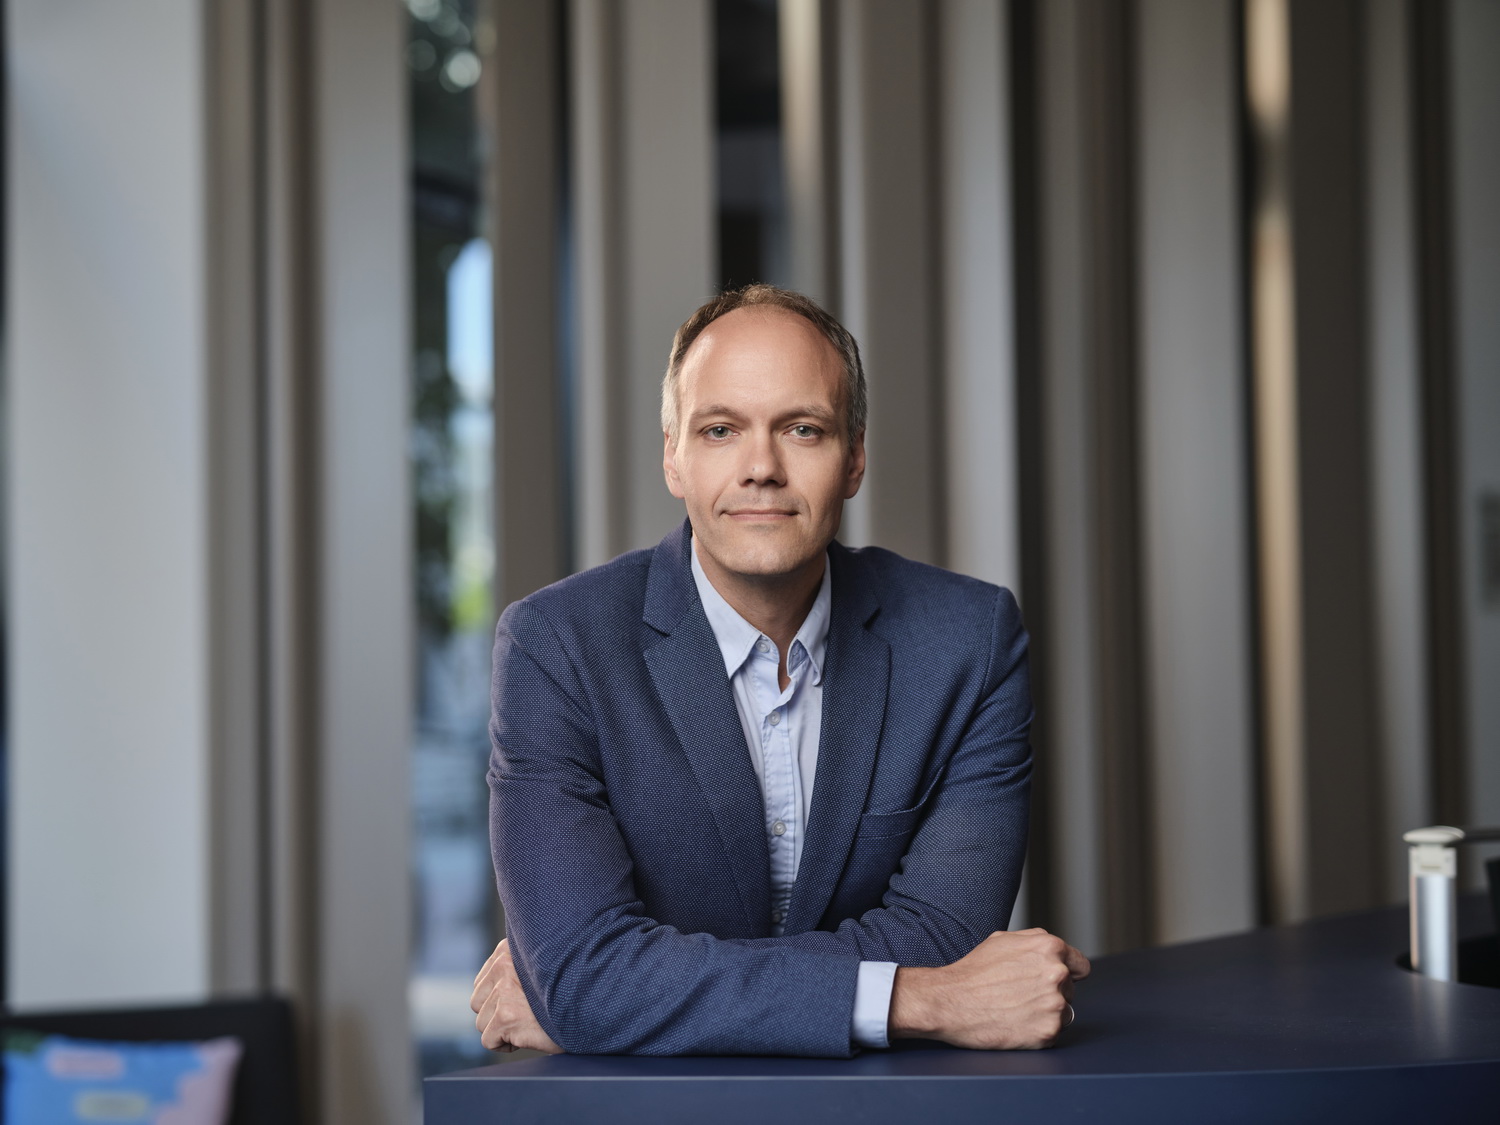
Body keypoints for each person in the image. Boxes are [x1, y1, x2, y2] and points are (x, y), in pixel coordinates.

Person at [470, 285, 1088, 1057]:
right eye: (720, 430)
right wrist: (920, 997)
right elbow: (586, 975)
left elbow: (944, 931)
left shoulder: (969, 642)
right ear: (673, 456)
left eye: (802, 429)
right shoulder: (556, 647)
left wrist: (620, 1002)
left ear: (854, 457)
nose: (761, 467)